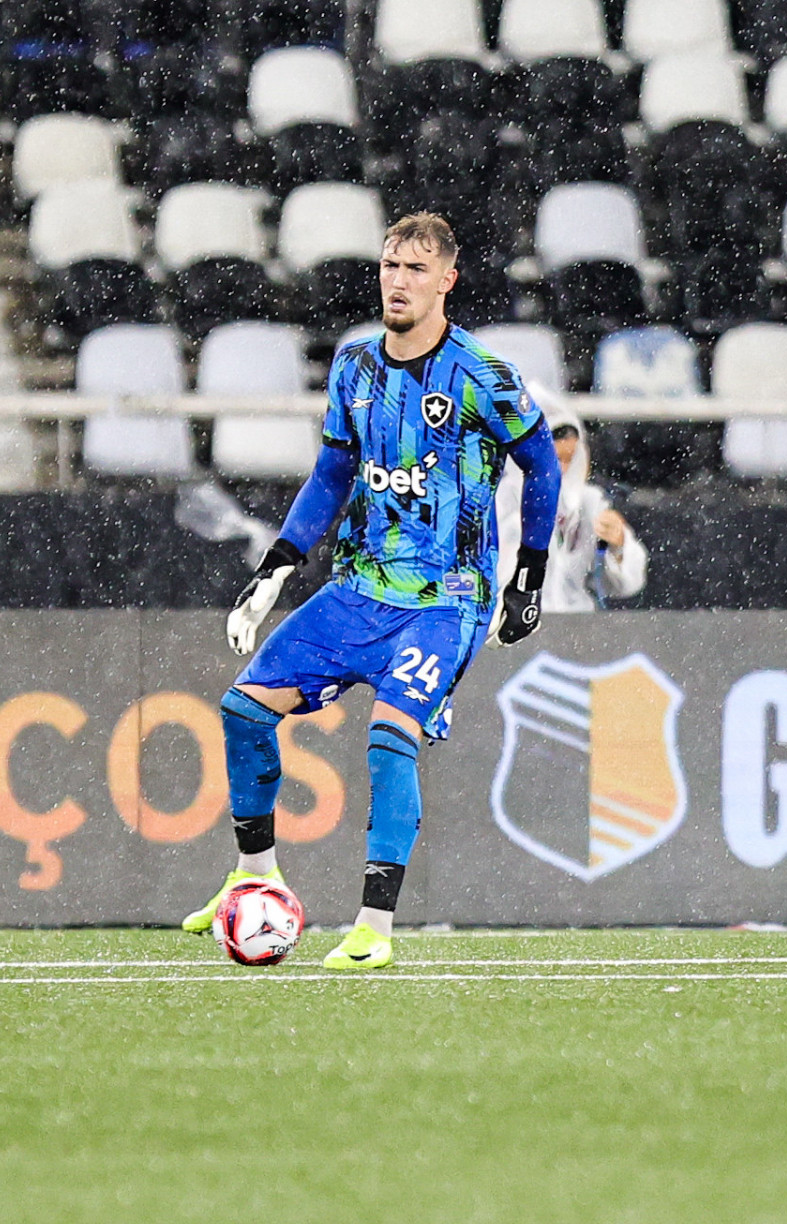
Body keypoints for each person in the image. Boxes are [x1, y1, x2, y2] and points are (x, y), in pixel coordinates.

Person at [182, 212, 561, 971]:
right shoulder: (354, 368)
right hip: (358, 588)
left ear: (447, 280)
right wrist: (279, 565)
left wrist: (528, 576)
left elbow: (543, 466)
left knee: (390, 740)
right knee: (241, 710)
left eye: (416, 269)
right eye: (390, 264)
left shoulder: (483, 375)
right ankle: (254, 876)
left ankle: (373, 928)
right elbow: (330, 476)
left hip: (447, 598)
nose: (397, 279)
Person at [494, 394, 647, 611]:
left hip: (576, 623)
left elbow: (625, 584)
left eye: (570, 459)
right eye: (555, 459)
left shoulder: (589, 502)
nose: (563, 469)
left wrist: (617, 545)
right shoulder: (500, 500)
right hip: (512, 619)